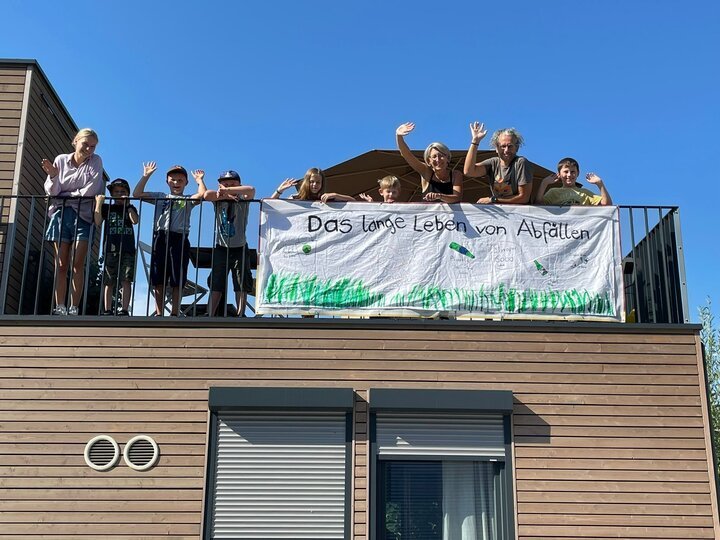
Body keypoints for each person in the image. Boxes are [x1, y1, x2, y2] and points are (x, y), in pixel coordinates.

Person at [42, 128, 104, 315]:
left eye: (93, 146)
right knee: (61, 265)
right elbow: (52, 191)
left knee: (77, 264)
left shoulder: (96, 161)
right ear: (76, 141)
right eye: (86, 144)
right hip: (60, 215)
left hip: (83, 217)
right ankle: (60, 306)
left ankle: (74, 307)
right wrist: (54, 176)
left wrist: (64, 194)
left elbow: (91, 190)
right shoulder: (61, 160)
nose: (89, 149)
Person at [133, 161, 207, 316]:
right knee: (158, 277)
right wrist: (146, 176)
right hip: (160, 237)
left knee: (177, 277)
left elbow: (202, 195)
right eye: (173, 179)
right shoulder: (160, 196)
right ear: (167, 181)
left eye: (180, 180)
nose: (176, 183)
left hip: (179, 239)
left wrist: (199, 180)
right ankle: (159, 313)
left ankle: (174, 313)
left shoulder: (187, 199)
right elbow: (137, 194)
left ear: (186, 183)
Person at [203, 170, 256, 317]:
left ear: (239, 185)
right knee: (216, 282)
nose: (229, 186)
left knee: (241, 282)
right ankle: (210, 314)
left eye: (233, 184)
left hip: (240, 247)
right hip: (221, 247)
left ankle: (240, 314)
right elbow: (206, 195)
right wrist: (225, 195)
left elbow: (251, 190)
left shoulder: (243, 198)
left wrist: (228, 191)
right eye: (225, 184)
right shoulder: (218, 199)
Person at [94, 179, 139, 316]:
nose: (119, 194)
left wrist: (128, 205)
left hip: (128, 249)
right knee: (109, 280)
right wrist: (99, 203)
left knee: (126, 279)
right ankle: (107, 309)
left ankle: (124, 309)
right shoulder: (108, 208)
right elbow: (97, 221)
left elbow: (134, 220)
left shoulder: (130, 208)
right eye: (116, 192)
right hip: (110, 248)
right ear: (112, 194)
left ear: (127, 194)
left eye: (122, 192)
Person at [464, 123, 533, 205]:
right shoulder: (493, 163)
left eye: (510, 146)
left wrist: (494, 199)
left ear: (517, 148)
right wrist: (475, 141)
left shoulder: (521, 163)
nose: (506, 150)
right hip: (500, 210)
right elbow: (469, 171)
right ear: (496, 148)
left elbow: (524, 198)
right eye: (503, 146)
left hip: (518, 211)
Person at [395, 122, 462, 203]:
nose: (438, 159)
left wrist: (439, 196)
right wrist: (399, 136)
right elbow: (407, 155)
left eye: (441, 156)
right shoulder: (426, 172)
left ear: (447, 158)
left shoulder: (455, 175)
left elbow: (457, 198)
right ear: (429, 161)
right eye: (434, 156)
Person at [535, 157, 613, 206]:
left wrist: (600, 184)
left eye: (573, 172)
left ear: (578, 173)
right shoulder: (553, 192)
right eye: (566, 172)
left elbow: (607, 204)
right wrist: (544, 183)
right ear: (559, 174)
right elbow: (538, 205)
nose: (569, 175)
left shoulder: (585, 193)